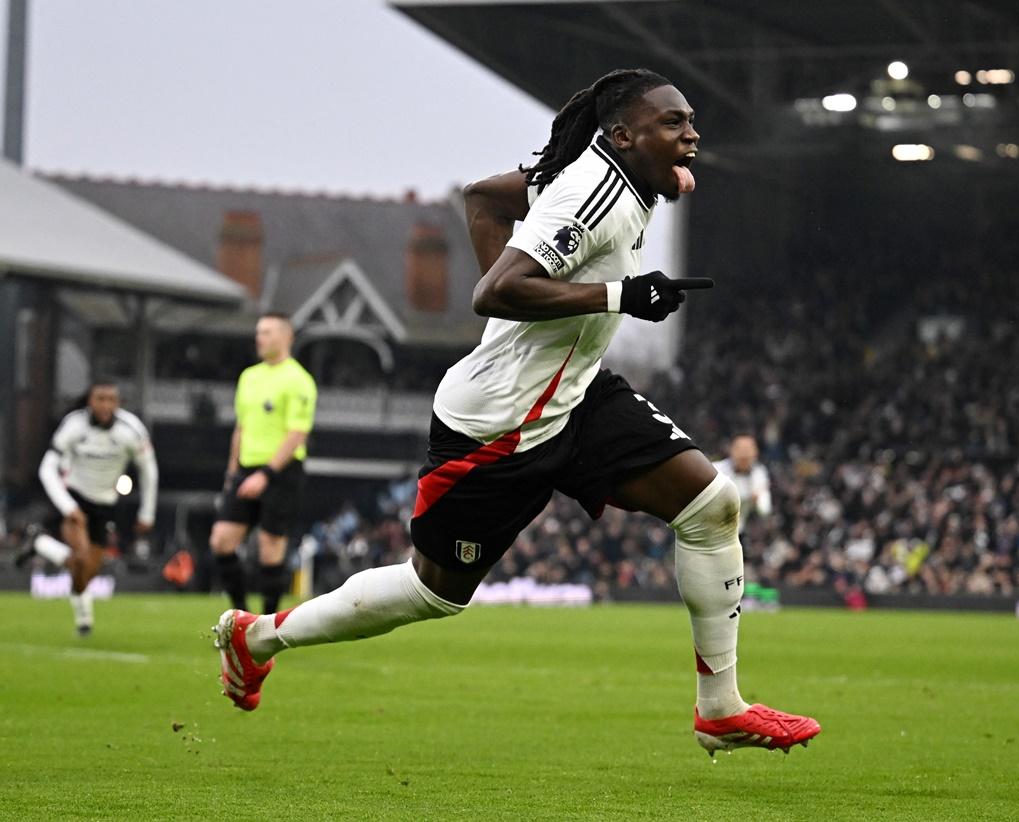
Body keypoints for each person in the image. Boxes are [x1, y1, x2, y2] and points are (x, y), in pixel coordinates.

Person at [213, 69, 820, 756]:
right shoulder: (590, 197)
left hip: (574, 392)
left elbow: (482, 199)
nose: (692, 133)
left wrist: (647, 197)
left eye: (690, 121)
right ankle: (257, 636)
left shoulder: (607, 175)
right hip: (500, 427)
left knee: (711, 504)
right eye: (673, 123)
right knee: (433, 592)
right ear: (622, 136)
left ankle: (720, 708)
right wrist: (619, 296)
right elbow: (496, 291)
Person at [17, 380, 157, 636]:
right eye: (99, 398)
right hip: (74, 497)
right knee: (80, 558)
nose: (105, 405)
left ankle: (40, 544)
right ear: (90, 401)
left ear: (117, 403)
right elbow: (46, 469)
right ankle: (84, 621)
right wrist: (69, 507)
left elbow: (149, 470)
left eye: (110, 399)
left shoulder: (132, 430)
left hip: (105, 505)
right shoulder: (73, 425)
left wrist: (147, 513)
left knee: (89, 570)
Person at [209, 313, 317, 616]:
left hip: (281, 472)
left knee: (271, 547)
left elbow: (297, 433)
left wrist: (266, 474)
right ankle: (241, 614)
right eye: (258, 332)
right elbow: (241, 428)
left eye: (267, 332)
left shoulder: (298, 380)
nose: (260, 338)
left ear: (286, 336)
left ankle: (268, 622)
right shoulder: (249, 377)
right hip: (245, 470)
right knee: (221, 541)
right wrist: (233, 471)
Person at [714, 434, 773, 532]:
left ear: (756, 452)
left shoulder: (759, 474)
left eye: (748, 449)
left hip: (735, 533)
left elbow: (765, 509)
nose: (744, 453)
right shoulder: (715, 470)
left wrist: (757, 499)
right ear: (731, 451)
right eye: (740, 448)